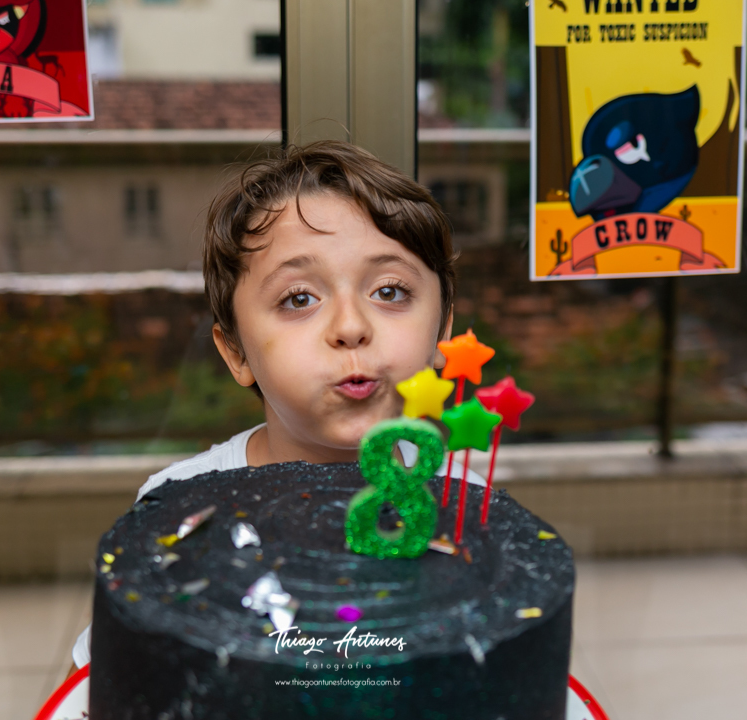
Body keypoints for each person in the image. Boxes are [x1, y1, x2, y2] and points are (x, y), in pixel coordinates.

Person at [68, 140, 484, 672]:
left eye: (390, 290)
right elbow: (109, 679)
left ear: (442, 331)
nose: (352, 327)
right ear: (237, 352)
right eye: (299, 299)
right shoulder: (179, 509)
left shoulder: (471, 511)